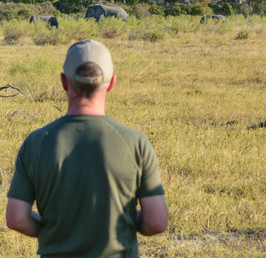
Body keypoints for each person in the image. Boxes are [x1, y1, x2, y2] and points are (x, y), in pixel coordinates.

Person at [6, 39, 168, 256]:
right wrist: (129, 218)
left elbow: (16, 218)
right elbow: (156, 222)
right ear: (112, 83)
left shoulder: (35, 142)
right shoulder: (136, 143)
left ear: (64, 82)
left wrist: (52, 229)